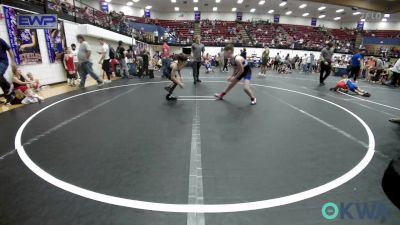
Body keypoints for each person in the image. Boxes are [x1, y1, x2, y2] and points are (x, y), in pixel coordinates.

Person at [0, 37, 17, 104]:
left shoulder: (1, 40)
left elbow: (9, 50)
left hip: (3, 61)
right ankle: (9, 96)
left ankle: (9, 88)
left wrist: (13, 62)